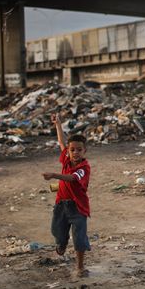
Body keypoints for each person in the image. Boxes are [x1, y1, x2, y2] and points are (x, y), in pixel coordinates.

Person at [43, 114, 92, 277]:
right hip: (61, 205)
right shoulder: (66, 159)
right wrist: (58, 124)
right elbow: (62, 142)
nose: (75, 153)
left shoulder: (84, 168)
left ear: (85, 151)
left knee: (79, 239)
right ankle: (61, 243)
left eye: (79, 150)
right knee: (57, 230)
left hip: (77, 207)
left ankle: (80, 267)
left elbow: (72, 179)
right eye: (72, 150)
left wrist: (54, 175)